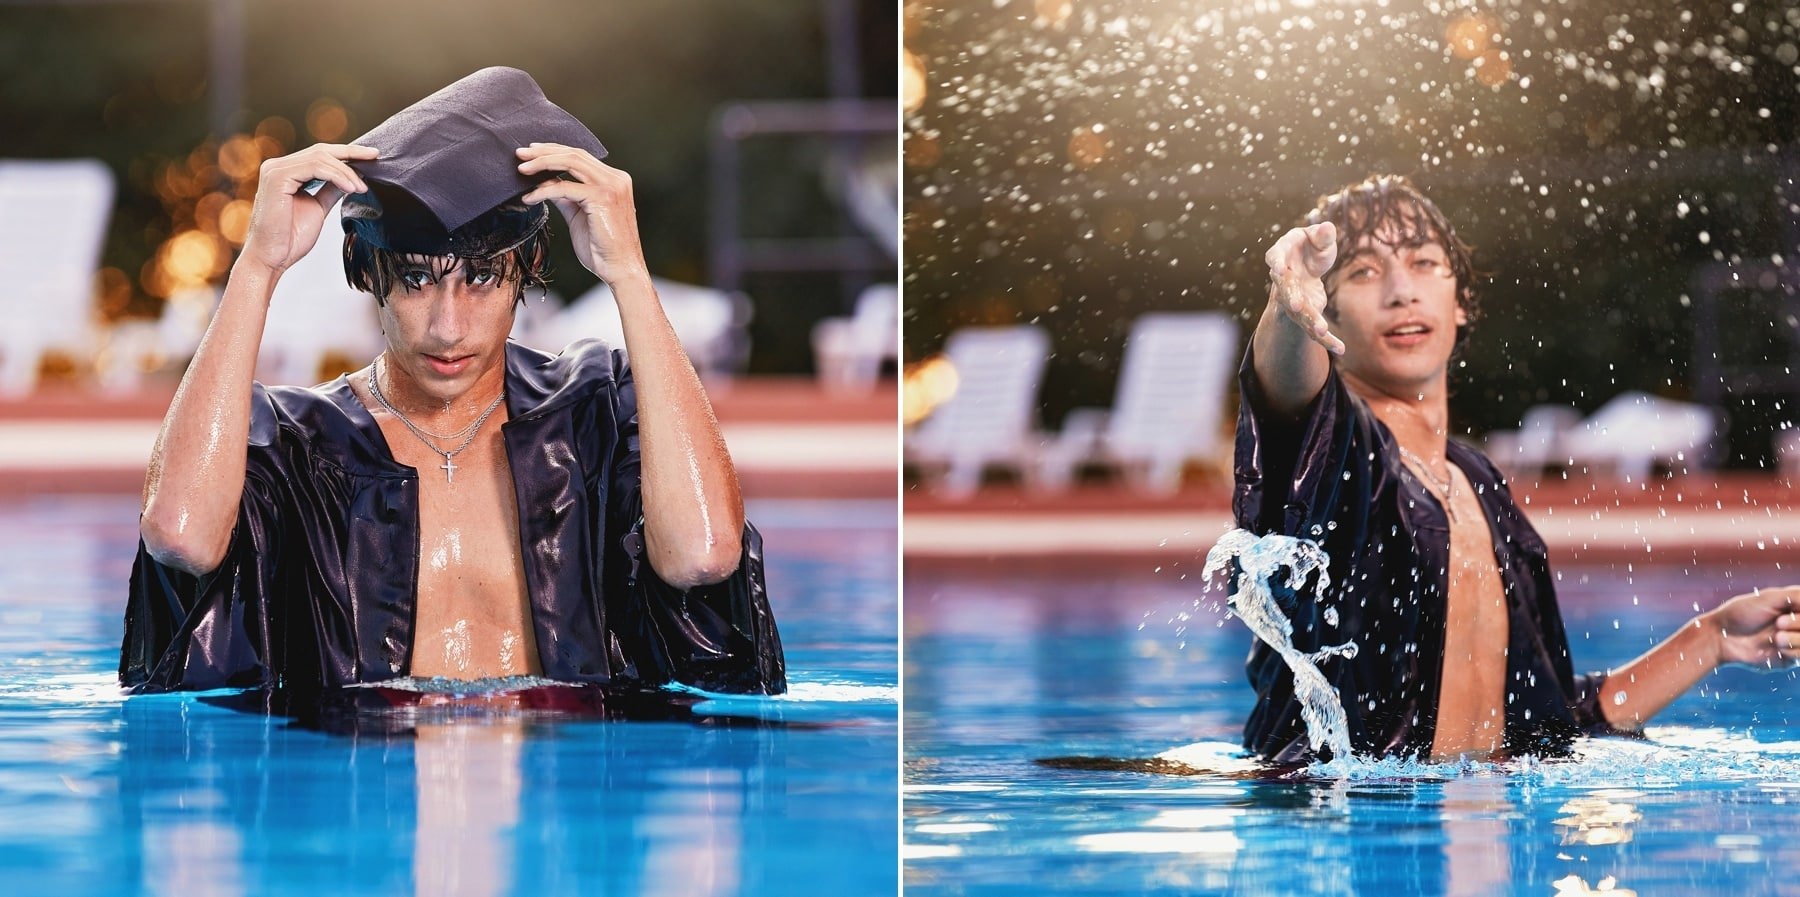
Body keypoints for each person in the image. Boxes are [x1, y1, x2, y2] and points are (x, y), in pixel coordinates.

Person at [120, 67, 784, 699]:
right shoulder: (302, 445)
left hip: (569, 788)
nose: (447, 325)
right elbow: (179, 534)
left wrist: (630, 276)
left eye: (482, 279)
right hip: (356, 787)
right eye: (414, 281)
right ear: (369, 278)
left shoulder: (590, 412)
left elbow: (703, 556)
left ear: (524, 271)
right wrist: (258, 265)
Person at [1238, 174, 1796, 762]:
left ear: (1461, 304)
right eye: (1363, 273)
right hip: (1340, 839)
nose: (1401, 291)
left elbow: (1551, 721)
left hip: (1478, 832)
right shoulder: (1338, 458)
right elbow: (1284, 405)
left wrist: (1709, 639)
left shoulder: (1479, 484)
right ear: (1332, 312)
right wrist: (1287, 308)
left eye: (1425, 262)